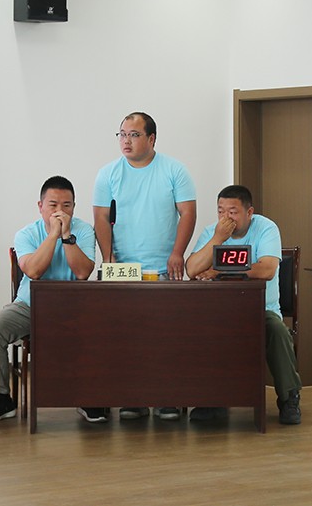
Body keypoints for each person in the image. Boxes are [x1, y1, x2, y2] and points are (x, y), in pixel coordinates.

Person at [92, 111, 197, 421]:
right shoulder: (108, 174)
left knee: (165, 336)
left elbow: (188, 213)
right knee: (126, 337)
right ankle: (133, 397)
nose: (126, 140)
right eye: (122, 134)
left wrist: (178, 252)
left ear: (151, 139)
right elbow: (100, 218)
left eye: (134, 135)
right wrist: (108, 258)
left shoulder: (174, 170)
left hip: (164, 268)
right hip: (124, 270)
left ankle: (166, 398)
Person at [0, 176, 98, 423]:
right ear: (40, 206)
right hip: (29, 305)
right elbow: (33, 271)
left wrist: (66, 236)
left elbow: (82, 272)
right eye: (53, 205)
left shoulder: (84, 230)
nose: (60, 211)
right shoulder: (26, 234)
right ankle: (2, 398)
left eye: (67, 205)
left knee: (104, 328)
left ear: (74, 207)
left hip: (73, 309)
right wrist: (53, 235)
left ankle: (89, 397)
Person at [185, 185, 302, 425]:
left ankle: (289, 397)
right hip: (219, 313)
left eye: (233, 212)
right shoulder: (212, 232)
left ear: (249, 212)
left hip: (260, 311)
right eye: (221, 211)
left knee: (277, 330)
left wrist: (217, 271)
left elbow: (267, 269)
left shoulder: (266, 228)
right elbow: (192, 270)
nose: (226, 218)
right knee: (197, 330)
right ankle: (213, 400)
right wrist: (218, 239)